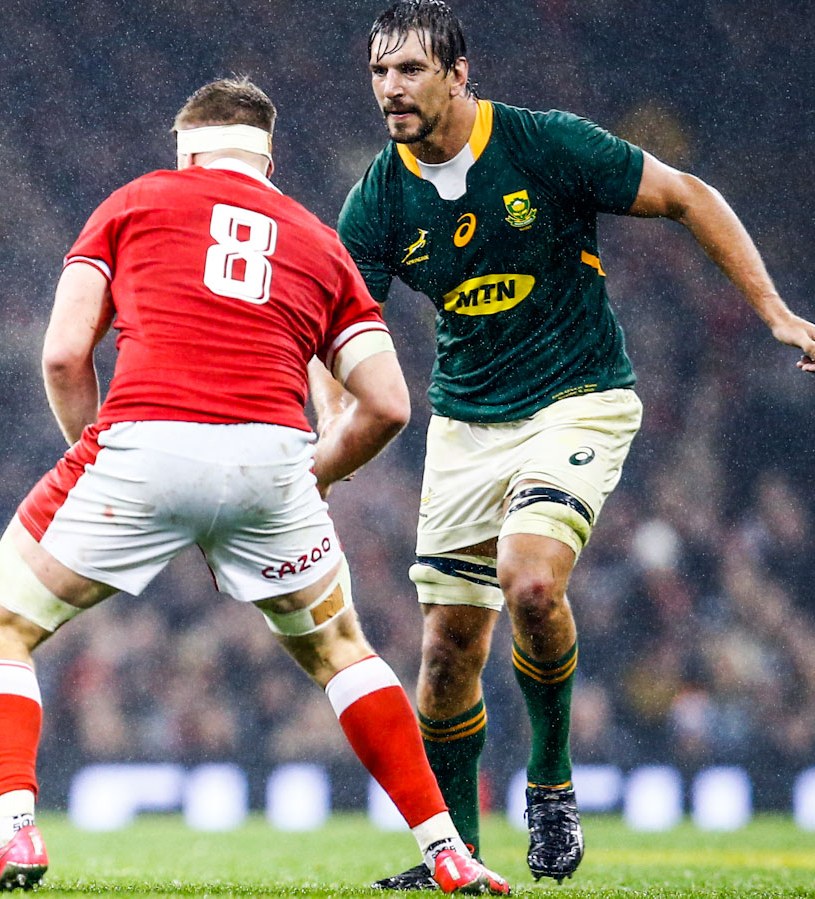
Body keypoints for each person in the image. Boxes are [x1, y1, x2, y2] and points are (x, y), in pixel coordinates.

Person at [0, 77, 508, 895]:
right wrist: (316, 473)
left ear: (188, 153)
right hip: (272, 458)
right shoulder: (319, 242)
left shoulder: (136, 201)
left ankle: (15, 834)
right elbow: (389, 404)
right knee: (340, 650)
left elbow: (65, 355)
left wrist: (104, 463)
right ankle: (447, 847)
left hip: (143, 439)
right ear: (267, 163)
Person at [335, 1, 815, 887]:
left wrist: (777, 312)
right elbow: (344, 333)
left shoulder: (542, 144)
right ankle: (455, 854)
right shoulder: (378, 200)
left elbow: (689, 196)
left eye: (409, 69)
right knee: (446, 650)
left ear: (458, 73)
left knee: (530, 581)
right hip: (467, 421)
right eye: (378, 71)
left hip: (577, 400)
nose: (390, 88)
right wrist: (331, 434)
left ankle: (551, 781)